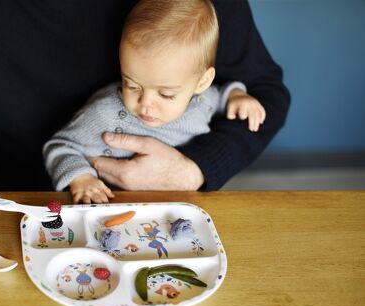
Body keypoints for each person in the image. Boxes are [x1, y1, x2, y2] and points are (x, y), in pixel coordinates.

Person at [0, 0, 290, 239]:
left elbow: (263, 89)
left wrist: (198, 168)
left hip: (171, 212)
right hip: (13, 200)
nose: (146, 102)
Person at [44, 0, 266, 204]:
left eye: (166, 94)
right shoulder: (105, 113)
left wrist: (237, 96)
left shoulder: (202, 100)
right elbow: (60, 147)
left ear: (202, 82)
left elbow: (221, 96)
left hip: (176, 205)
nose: (145, 103)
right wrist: (81, 177)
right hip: (110, 206)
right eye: (132, 85)